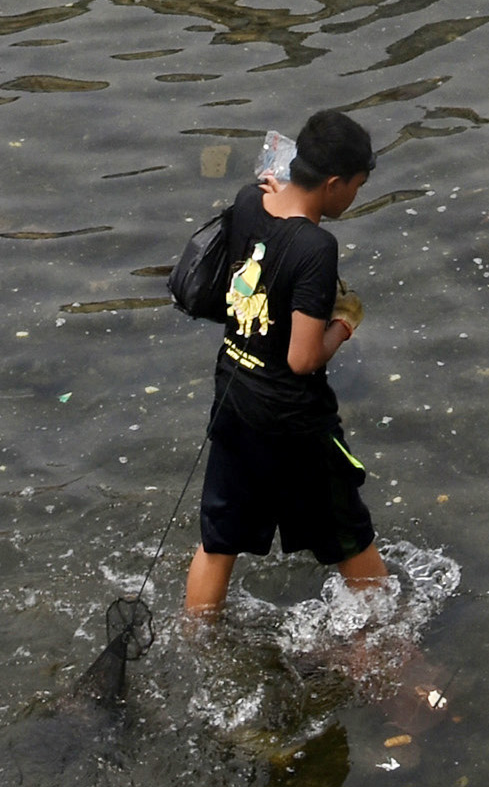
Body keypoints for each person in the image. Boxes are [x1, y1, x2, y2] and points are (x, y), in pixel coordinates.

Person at [183, 108, 383, 619]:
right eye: (356, 186)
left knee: (218, 540)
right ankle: (389, 644)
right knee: (350, 537)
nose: (354, 196)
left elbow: (266, 239)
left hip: (234, 395)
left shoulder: (250, 200)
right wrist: (345, 322)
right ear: (334, 183)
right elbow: (302, 358)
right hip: (293, 421)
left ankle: (197, 639)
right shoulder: (317, 248)